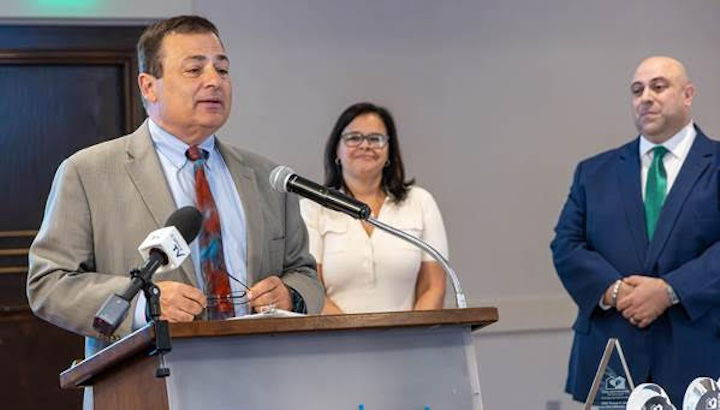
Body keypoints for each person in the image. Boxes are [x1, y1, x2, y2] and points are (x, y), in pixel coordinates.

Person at [27, 16, 324, 358]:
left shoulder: (266, 176)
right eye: (195, 70)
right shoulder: (88, 173)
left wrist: (290, 295)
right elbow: (48, 285)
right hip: (146, 382)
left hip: (260, 373)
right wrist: (143, 304)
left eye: (222, 70)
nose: (214, 81)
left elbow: (303, 271)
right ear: (149, 86)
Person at [551, 56, 720, 406]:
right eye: (637, 90)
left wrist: (670, 290)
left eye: (659, 86)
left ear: (688, 95)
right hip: (613, 355)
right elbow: (566, 245)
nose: (646, 97)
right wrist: (615, 291)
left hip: (700, 354)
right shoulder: (594, 172)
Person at [300, 102, 447, 314]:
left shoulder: (420, 202)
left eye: (375, 139)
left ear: (389, 152)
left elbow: (433, 287)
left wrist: (412, 338)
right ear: (336, 151)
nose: (365, 145)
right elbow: (313, 290)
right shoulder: (313, 209)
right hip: (336, 341)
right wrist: (352, 338)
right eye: (353, 138)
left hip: (411, 342)